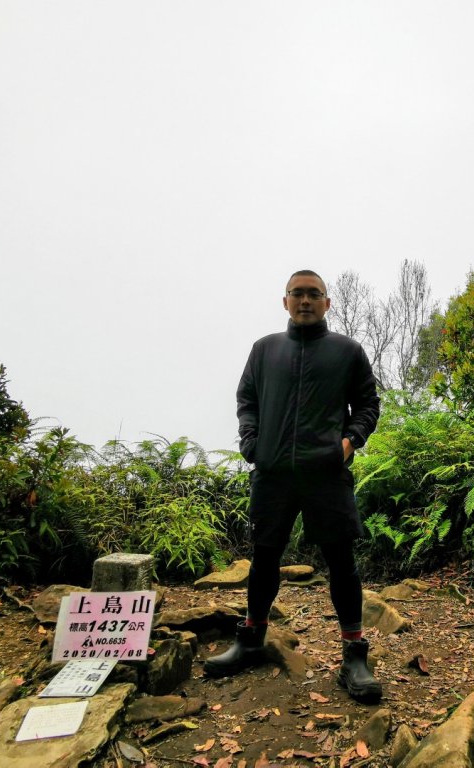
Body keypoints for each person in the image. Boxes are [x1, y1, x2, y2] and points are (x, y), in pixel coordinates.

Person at [203, 269, 382, 703]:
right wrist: (252, 443)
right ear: (284, 301)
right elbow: (247, 398)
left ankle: (354, 654)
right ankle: (251, 640)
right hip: (273, 474)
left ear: (327, 303)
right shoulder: (265, 350)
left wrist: (349, 442)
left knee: (341, 561)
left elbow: (368, 403)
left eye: (313, 294)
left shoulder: (347, 350)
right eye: (297, 294)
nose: (305, 300)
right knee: (264, 559)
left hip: (327, 474)